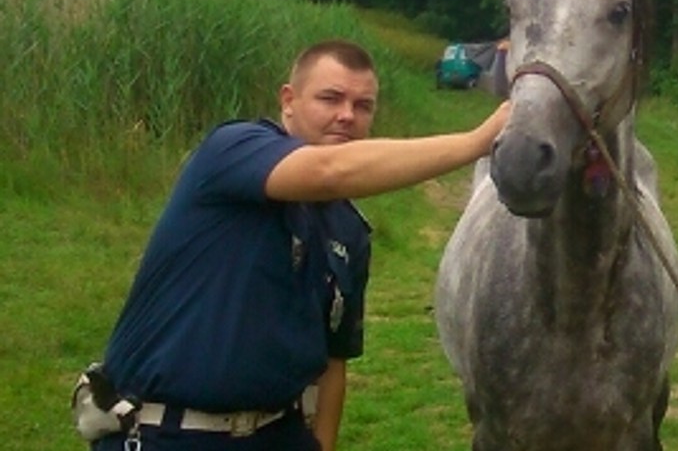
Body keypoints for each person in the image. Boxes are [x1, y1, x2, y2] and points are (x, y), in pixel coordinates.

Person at [84, 40, 510, 451]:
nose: (347, 116)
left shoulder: (348, 229)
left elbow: (332, 364)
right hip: (169, 433)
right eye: (330, 98)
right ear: (288, 100)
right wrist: (476, 143)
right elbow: (327, 171)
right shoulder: (232, 149)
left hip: (280, 434)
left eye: (363, 106)